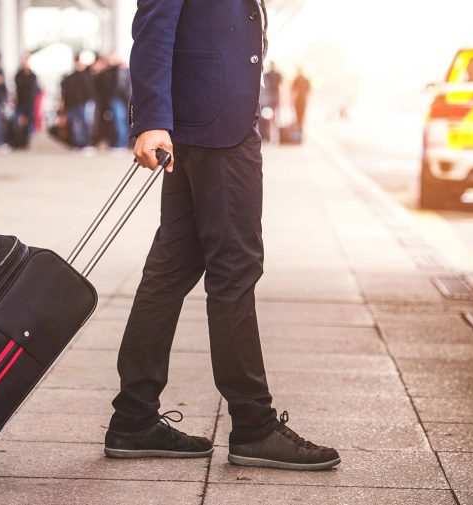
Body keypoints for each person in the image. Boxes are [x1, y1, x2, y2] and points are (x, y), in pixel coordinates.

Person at [104, 0, 341, 471]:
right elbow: (154, 26)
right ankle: (253, 426)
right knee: (235, 269)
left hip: (204, 123)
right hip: (216, 130)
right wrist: (151, 121)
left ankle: (133, 417)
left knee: (171, 268)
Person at [61, 56, 94, 149]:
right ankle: (78, 143)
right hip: (73, 104)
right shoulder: (70, 77)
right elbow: (65, 92)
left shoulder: (86, 76)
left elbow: (89, 91)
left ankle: (84, 143)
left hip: (82, 104)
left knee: (83, 123)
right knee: (75, 125)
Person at [14, 54, 39, 147]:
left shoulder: (33, 76)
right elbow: (20, 86)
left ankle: (26, 139)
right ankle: (19, 138)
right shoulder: (18, 75)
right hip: (20, 101)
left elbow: (32, 89)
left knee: (29, 121)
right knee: (18, 120)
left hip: (30, 102)